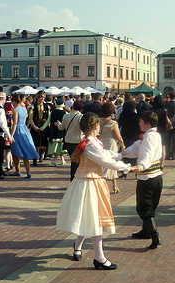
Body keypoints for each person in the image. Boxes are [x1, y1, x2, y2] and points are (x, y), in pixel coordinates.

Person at [56, 112, 132, 270]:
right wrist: (127, 167)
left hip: (91, 183)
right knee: (94, 220)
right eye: (99, 125)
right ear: (96, 125)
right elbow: (104, 160)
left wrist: (120, 154)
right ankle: (99, 257)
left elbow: (104, 154)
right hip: (88, 184)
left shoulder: (90, 142)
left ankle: (78, 246)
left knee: (89, 218)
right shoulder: (90, 144)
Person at [118, 110, 163, 249]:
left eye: (141, 121)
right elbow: (137, 147)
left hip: (147, 177)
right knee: (150, 206)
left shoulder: (149, 137)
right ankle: (146, 231)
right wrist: (123, 153)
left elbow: (146, 155)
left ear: (147, 123)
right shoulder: (154, 135)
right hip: (156, 176)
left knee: (143, 208)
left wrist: (138, 167)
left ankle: (154, 235)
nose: (139, 123)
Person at [98, 102, 125, 194]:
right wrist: (123, 146)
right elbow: (119, 137)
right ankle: (109, 185)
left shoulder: (98, 121)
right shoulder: (113, 123)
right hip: (111, 144)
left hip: (100, 143)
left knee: (103, 164)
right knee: (111, 164)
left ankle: (115, 185)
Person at [10, 93, 39, 178]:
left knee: (15, 151)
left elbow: (15, 123)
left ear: (14, 101)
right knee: (25, 150)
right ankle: (28, 172)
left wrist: (11, 134)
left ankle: (18, 170)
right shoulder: (24, 109)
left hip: (18, 130)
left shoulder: (15, 110)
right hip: (24, 129)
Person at [56, 100, 84, 181]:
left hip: (68, 141)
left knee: (73, 161)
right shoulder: (81, 117)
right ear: (81, 109)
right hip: (78, 141)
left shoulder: (66, 116)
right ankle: (76, 179)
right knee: (78, 162)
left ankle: (73, 179)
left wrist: (58, 124)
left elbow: (61, 127)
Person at [29, 90, 51, 165]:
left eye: (43, 97)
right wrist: (34, 126)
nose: (42, 99)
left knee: (44, 142)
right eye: (40, 97)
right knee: (35, 142)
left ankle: (41, 155)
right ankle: (35, 158)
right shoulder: (33, 106)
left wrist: (44, 127)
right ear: (37, 98)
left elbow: (48, 118)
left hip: (44, 126)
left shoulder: (47, 106)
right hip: (35, 125)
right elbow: (30, 118)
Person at [47, 98, 67, 166]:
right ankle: (55, 160)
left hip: (54, 130)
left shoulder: (53, 111)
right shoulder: (64, 112)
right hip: (62, 130)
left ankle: (62, 160)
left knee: (58, 146)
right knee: (60, 146)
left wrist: (42, 128)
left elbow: (48, 121)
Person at [150, 95, 168, 167]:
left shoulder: (152, 110)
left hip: (155, 130)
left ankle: (154, 163)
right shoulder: (165, 110)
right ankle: (162, 164)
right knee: (163, 147)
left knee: (154, 147)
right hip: (163, 129)